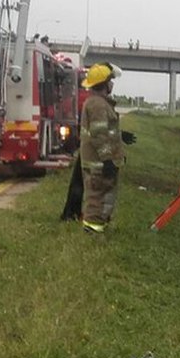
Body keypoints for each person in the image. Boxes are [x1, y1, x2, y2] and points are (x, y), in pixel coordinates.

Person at [80, 63, 125, 233]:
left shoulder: (98, 103)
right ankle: (92, 229)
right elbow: (99, 135)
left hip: (98, 161)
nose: (112, 84)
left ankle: (99, 226)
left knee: (103, 196)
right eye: (110, 81)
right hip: (98, 163)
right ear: (104, 84)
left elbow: (107, 130)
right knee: (96, 197)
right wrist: (107, 160)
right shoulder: (98, 105)